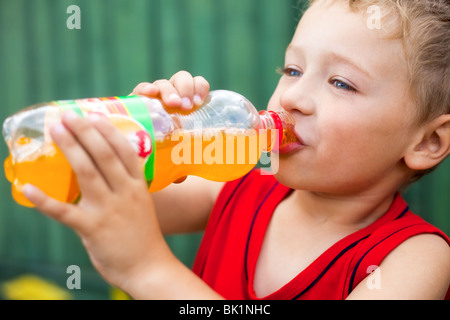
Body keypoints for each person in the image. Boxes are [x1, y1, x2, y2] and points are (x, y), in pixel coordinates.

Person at [22, 0, 450, 299]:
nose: (293, 97)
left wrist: (148, 272)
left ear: (428, 141)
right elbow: (128, 205)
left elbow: (141, 259)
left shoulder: (417, 259)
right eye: (293, 69)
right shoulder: (241, 181)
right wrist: (150, 135)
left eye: (342, 82)